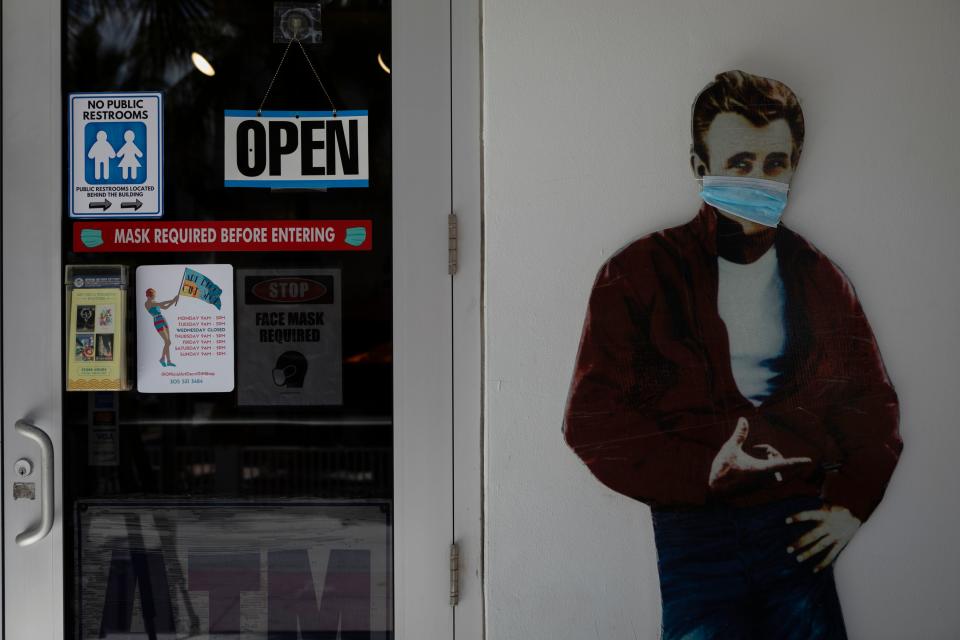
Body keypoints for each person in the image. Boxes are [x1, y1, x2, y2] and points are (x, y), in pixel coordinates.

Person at [563, 70, 901, 639]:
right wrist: (703, 471)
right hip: (696, 531)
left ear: (795, 162)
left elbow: (871, 405)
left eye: (775, 165)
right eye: (739, 163)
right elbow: (593, 420)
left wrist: (852, 504)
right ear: (700, 168)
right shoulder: (637, 273)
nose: (759, 181)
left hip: (796, 526)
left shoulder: (818, 278)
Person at [145, 288, 179, 367]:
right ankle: (162, 358)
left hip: (163, 319)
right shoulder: (148, 303)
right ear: (150, 295)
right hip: (157, 320)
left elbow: (165, 307)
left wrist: (173, 301)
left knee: (168, 342)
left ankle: (169, 361)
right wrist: (172, 300)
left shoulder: (154, 302)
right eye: (154, 295)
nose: (155, 296)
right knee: (167, 342)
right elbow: (161, 303)